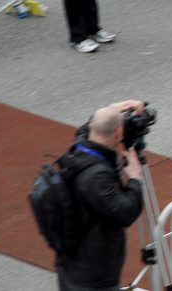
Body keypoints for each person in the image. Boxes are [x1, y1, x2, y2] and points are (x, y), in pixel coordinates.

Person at [56, 104, 145, 290]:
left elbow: (90, 124)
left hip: (71, 261)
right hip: (93, 275)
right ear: (119, 132)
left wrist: (121, 106)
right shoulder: (96, 177)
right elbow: (126, 211)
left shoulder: (79, 149)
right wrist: (135, 178)